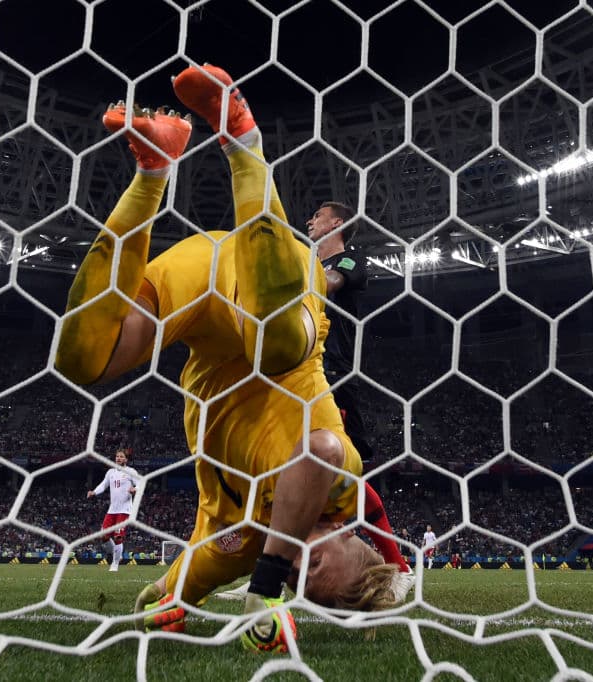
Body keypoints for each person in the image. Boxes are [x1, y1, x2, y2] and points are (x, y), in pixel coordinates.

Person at [54, 64, 404, 654]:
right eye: (316, 568)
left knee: (83, 359)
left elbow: (173, 588)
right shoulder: (342, 487)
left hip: (203, 297)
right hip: (272, 282)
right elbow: (317, 452)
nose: (299, 567)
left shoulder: (242, 544)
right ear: (353, 540)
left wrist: (166, 601)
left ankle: (153, 170)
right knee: (277, 348)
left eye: (299, 582)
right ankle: (242, 140)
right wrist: (265, 588)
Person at [216, 202, 414, 601]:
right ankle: (265, 571)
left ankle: (400, 568)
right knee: (283, 470)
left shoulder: (351, 260)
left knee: (341, 470)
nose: (310, 221)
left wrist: (280, 284)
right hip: (294, 370)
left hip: (334, 373)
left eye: (318, 216)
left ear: (337, 223)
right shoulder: (307, 260)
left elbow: (328, 283)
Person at [86, 449, 139, 572]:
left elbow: (140, 482)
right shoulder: (111, 472)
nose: (118, 458)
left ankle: (115, 564)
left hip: (125, 510)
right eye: (117, 456)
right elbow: (103, 485)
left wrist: (135, 489)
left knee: (118, 537)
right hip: (112, 510)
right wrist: (94, 492)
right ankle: (117, 555)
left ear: (126, 459)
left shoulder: (130, 471)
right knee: (104, 537)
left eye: (121, 457)